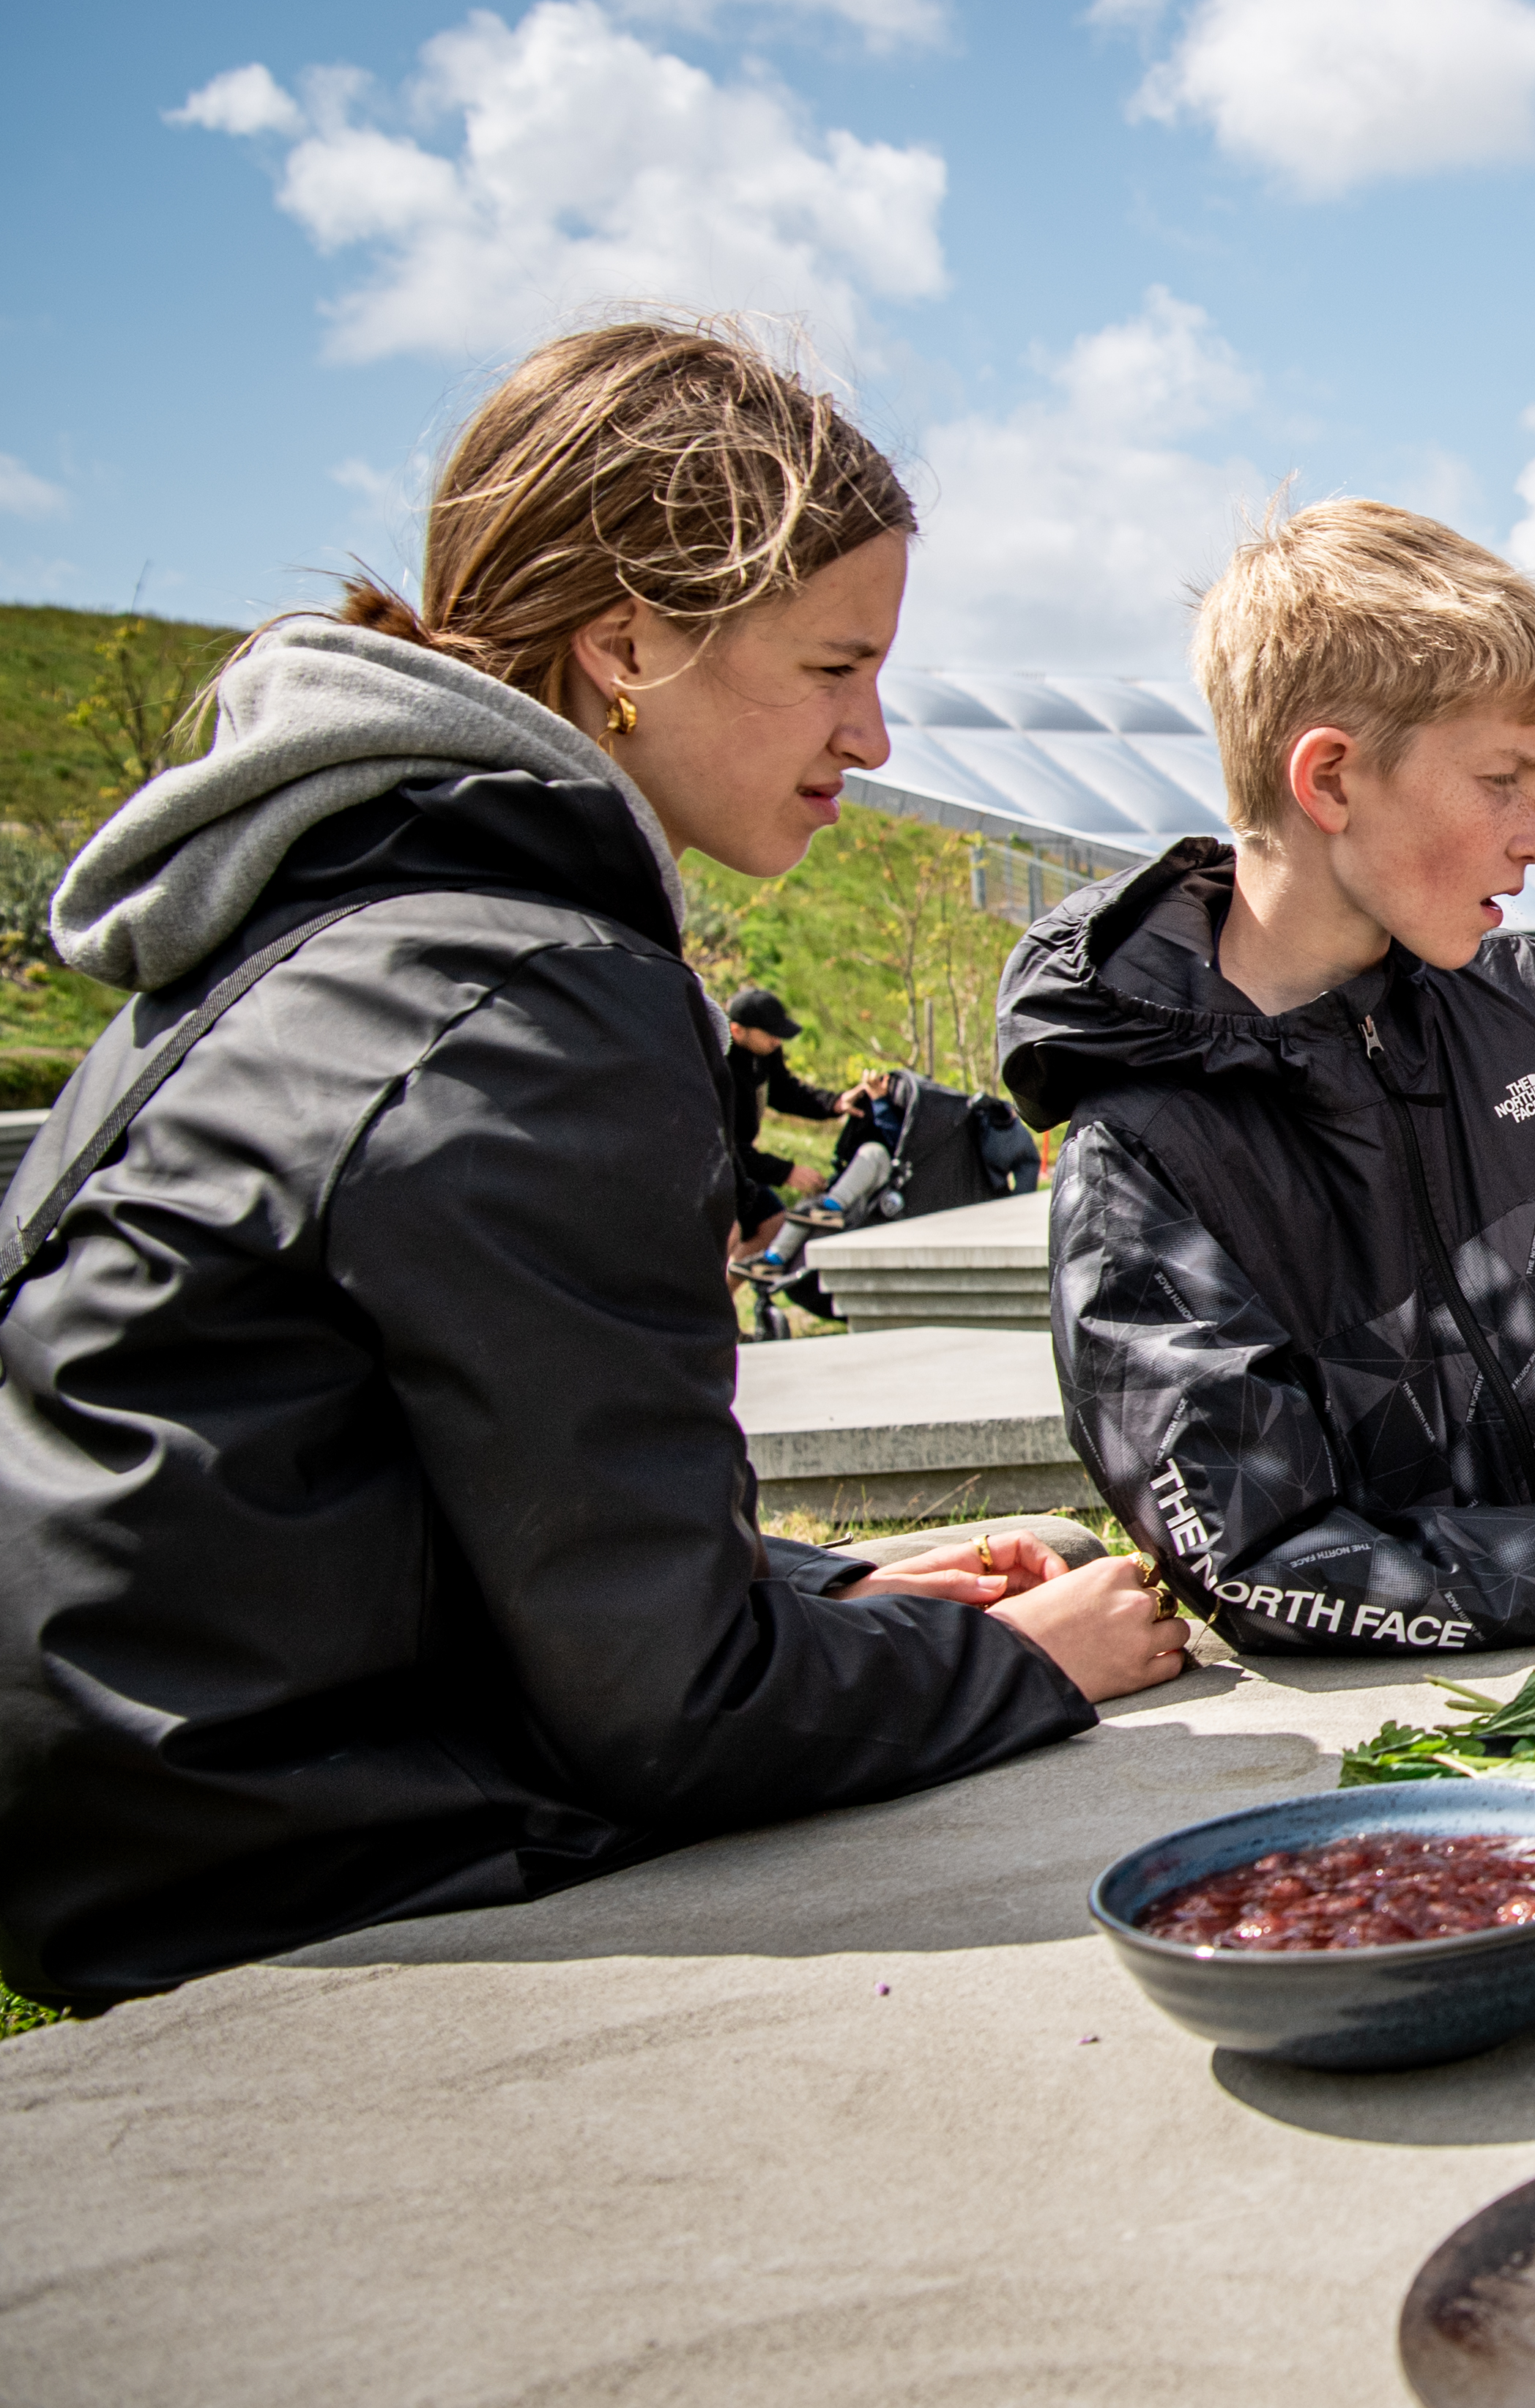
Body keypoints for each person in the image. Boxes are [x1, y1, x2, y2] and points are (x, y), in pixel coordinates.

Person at [0, 319, 1186, 2012]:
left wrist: (826, 1585)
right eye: (833, 666)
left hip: (172, 1838)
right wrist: (1007, 1660)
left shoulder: (334, 922)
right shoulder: (538, 1001)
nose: (874, 739)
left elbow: (370, 1511)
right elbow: (679, 1713)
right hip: (342, 1890)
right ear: (625, 638)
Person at [1000, 500, 1535, 1656]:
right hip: (1431, 1734)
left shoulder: (1529, 1004)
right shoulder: (1141, 1152)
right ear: (1330, 779)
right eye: (1503, 778)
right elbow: (1263, 1560)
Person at [721, 985, 842, 1237]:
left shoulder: (764, 1051)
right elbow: (724, 1146)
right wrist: (787, 1173)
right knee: (728, 1232)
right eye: (770, 1034)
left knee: (772, 1222)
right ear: (736, 1031)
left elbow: (784, 1092)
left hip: (739, 1159)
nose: (777, 1041)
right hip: (714, 1162)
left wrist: (836, 1103)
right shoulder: (717, 1068)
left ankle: (733, 1277)